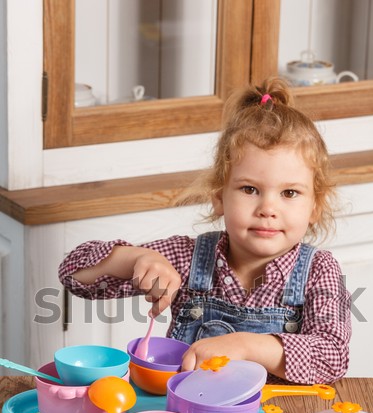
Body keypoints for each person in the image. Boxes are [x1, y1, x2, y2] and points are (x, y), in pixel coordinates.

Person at [59, 77, 351, 384]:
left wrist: (244, 345)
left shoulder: (319, 270)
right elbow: (74, 276)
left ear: (315, 207)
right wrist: (135, 259)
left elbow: (331, 358)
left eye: (289, 193)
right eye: (249, 189)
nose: (268, 208)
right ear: (218, 198)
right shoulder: (187, 258)